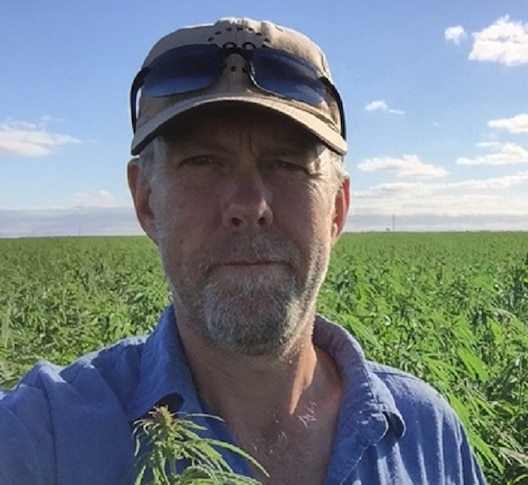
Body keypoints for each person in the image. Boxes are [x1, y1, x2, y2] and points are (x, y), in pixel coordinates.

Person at [0, 17, 487, 484]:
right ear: (146, 201)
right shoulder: (45, 435)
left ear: (337, 208)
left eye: (287, 164)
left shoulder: (428, 437)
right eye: (203, 162)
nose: (249, 205)